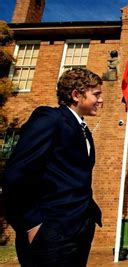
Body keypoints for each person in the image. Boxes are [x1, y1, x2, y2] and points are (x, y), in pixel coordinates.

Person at [2, 68, 104, 266]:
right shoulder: (49, 119)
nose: (100, 100)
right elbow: (15, 174)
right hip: (51, 233)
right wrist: (31, 224)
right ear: (76, 95)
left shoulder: (82, 128)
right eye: (96, 94)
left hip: (79, 229)